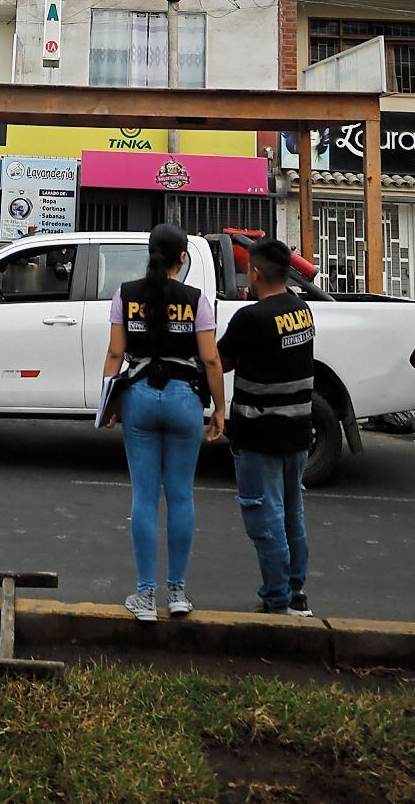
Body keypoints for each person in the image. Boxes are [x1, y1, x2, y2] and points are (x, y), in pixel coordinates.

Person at [100, 223, 224, 623]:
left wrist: (106, 406)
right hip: (184, 399)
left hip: (138, 398)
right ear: (182, 258)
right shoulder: (196, 300)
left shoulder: (125, 294)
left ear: (150, 254)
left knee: (144, 497)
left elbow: (115, 354)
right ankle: (177, 593)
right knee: (181, 496)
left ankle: (144, 595)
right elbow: (211, 359)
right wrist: (220, 408)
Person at [218, 238, 316, 617]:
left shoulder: (251, 318)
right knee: (292, 515)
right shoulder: (302, 310)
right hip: (297, 432)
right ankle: (295, 593)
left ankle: (278, 601)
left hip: (260, 435)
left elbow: (221, 361)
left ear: (255, 273)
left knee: (266, 520)